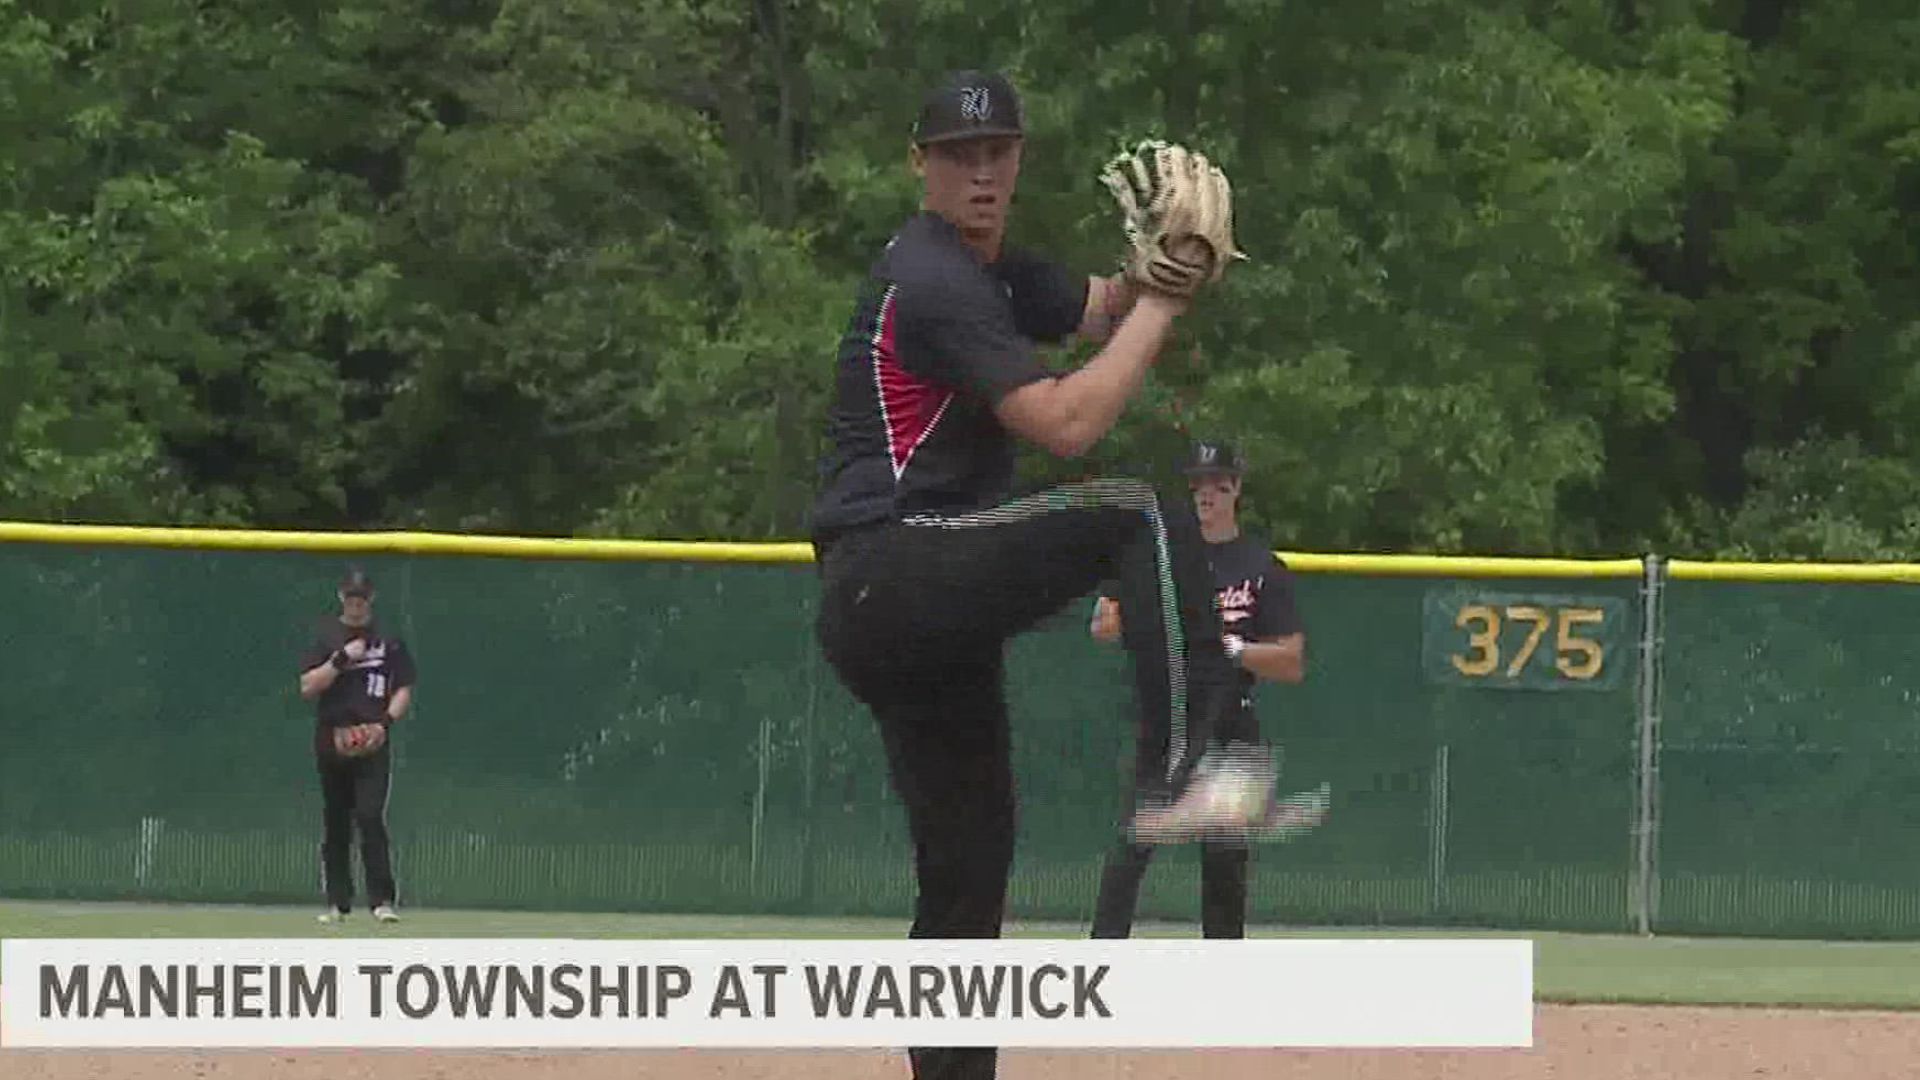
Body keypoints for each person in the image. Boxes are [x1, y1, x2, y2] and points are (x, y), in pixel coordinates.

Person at [808, 69, 1256, 1080]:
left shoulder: (1002, 277)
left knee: (967, 885)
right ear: (920, 166)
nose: (979, 171)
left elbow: (1105, 307)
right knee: (1136, 510)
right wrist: (1167, 303)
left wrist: (1173, 265)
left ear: (1017, 160)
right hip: (894, 566)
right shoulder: (931, 281)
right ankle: (1184, 766)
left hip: (914, 609)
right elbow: (1066, 422)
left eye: (996, 151)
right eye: (957, 154)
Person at [1086, 439, 1327, 940]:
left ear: (1236, 488)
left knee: (1224, 860)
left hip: (1230, 719)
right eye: (1197, 484)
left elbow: (1290, 660)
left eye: (1218, 484)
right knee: (1133, 844)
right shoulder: (1158, 559)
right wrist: (1162, 627)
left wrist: (1228, 648)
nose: (1206, 494)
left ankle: (1223, 979)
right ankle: (1102, 962)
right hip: (1169, 717)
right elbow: (1104, 625)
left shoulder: (1260, 567)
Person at [297, 566, 416, 925]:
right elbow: (307, 687)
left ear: (371, 599)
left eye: (362, 598)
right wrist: (341, 659)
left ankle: (382, 901)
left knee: (369, 816)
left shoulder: (389, 638)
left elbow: (404, 687)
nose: (356, 604)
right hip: (333, 737)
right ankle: (337, 903)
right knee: (336, 822)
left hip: (373, 738)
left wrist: (384, 724)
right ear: (341, 598)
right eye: (351, 597)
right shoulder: (325, 635)